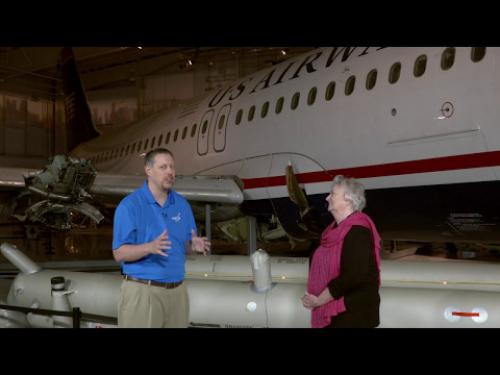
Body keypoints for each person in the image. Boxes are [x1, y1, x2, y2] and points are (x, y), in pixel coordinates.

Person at [112, 148, 211, 328]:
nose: (170, 172)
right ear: (148, 170)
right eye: (163, 167)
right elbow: (119, 253)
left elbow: (183, 247)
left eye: (172, 167)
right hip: (143, 292)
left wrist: (192, 246)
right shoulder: (130, 206)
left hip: (177, 293)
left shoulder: (182, 204)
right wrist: (148, 247)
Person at [301, 175, 381, 328]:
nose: (327, 197)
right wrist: (313, 297)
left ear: (348, 200)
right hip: (338, 314)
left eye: (332, 194)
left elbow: (353, 275)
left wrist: (320, 300)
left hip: (353, 315)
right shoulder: (332, 231)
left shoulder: (359, 231)